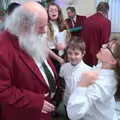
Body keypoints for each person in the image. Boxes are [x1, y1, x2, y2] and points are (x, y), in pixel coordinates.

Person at [0, 1, 61, 120]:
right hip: (26, 113)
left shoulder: (30, 35)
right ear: (23, 25)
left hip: (44, 110)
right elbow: (3, 90)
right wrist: (36, 101)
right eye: (40, 27)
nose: (44, 31)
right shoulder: (3, 48)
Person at [67, 37, 120, 120]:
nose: (103, 45)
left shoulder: (101, 84)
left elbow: (73, 113)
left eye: (108, 47)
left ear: (113, 61)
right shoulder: (104, 67)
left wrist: (82, 85)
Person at [59, 36, 91, 119]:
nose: (73, 57)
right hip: (67, 102)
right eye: (70, 53)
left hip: (81, 105)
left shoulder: (88, 71)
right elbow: (62, 80)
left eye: (76, 54)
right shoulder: (64, 67)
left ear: (83, 53)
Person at [81, 2, 111, 66]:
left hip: (85, 53)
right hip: (97, 56)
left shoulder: (87, 19)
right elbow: (105, 42)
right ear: (107, 10)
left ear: (97, 9)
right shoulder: (106, 22)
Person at [47, 2, 70, 73]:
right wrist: (58, 59)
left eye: (55, 10)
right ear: (47, 13)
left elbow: (68, 39)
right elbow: (44, 47)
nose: (54, 12)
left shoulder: (63, 24)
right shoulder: (45, 25)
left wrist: (65, 45)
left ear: (59, 12)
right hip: (52, 56)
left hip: (64, 53)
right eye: (51, 10)